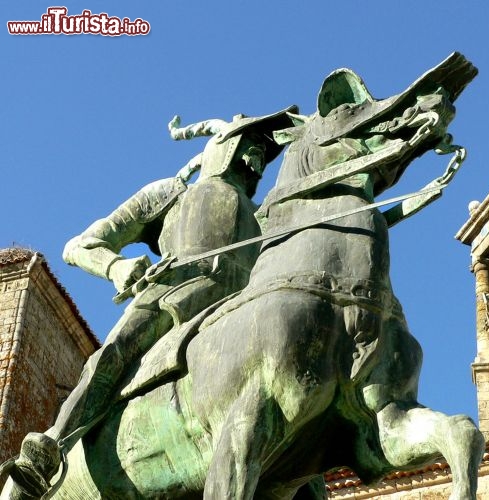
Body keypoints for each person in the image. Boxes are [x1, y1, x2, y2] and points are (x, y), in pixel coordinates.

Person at [7, 106, 297, 498]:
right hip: (174, 296)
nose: (258, 159)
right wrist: (115, 267)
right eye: (251, 145)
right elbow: (79, 245)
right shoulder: (172, 193)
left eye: (263, 151)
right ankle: (50, 448)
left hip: (242, 314)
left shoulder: (265, 219)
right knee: (112, 356)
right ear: (223, 148)